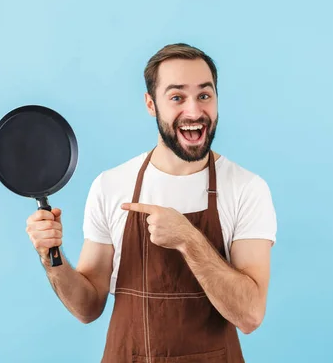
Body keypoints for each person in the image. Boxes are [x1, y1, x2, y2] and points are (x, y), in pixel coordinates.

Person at [25, 43, 277, 362]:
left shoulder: (246, 189)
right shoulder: (112, 185)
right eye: (176, 97)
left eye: (204, 95)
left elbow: (250, 315)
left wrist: (188, 239)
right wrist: (52, 259)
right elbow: (87, 308)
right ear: (151, 104)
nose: (194, 111)